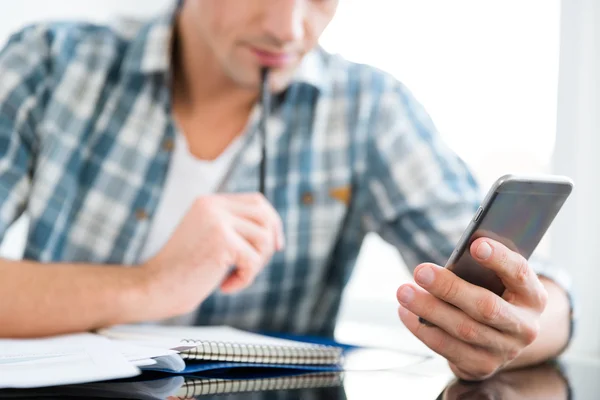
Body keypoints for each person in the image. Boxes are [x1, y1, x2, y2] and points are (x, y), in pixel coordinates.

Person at [0, 0, 573, 381]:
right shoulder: (52, 63)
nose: (290, 27)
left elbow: (545, 300)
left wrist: (515, 328)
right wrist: (152, 285)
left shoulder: (367, 110)